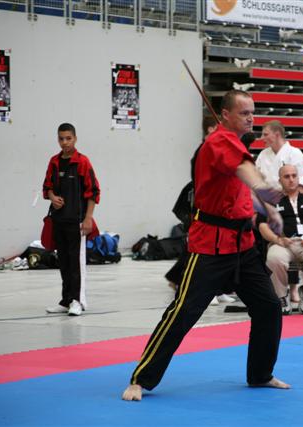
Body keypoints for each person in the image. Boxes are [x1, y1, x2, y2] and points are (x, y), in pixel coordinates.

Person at [122, 90, 289, 402]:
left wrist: (269, 210)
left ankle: (260, 374)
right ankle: (140, 379)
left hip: (243, 247)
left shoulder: (237, 146)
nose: (251, 118)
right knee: (182, 313)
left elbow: (242, 189)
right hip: (210, 248)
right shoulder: (218, 142)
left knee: (268, 307)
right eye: (244, 113)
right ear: (225, 114)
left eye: (252, 112)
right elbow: (248, 176)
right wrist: (264, 187)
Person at [166, 115, 235, 306]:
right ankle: (201, 288)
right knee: (203, 253)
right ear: (211, 129)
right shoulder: (204, 150)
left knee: (222, 252)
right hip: (204, 209)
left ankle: (220, 288)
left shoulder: (218, 148)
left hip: (219, 210)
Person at [42, 123, 100, 316]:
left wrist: (88, 218)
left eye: (68, 138)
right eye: (61, 139)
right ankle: (66, 300)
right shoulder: (54, 162)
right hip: (58, 221)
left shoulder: (82, 162)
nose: (65, 142)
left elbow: (93, 192)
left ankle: (77, 301)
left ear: (75, 138)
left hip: (77, 222)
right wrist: (52, 197)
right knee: (64, 262)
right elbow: (47, 187)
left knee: (76, 263)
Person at [259, 164, 303, 315]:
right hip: (283, 243)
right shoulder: (272, 202)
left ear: (298, 178)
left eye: (294, 176)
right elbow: (262, 226)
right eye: (286, 176)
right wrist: (277, 240)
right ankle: (281, 296)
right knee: (273, 259)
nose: (291, 179)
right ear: (280, 180)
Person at [255, 120, 303, 302]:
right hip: (266, 206)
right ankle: (270, 287)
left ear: (277, 134)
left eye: (266, 134)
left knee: (291, 245)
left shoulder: (295, 154)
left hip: (289, 205)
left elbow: (301, 184)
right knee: (266, 248)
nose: (262, 138)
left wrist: (288, 203)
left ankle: (293, 288)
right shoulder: (263, 155)